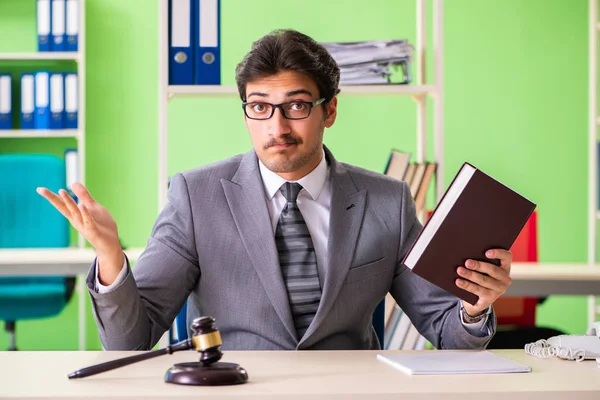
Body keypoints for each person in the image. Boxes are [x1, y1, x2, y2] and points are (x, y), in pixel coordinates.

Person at [37, 29, 513, 351]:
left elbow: (446, 333)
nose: (277, 127)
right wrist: (110, 256)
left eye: (297, 106)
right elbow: (130, 339)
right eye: (260, 108)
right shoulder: (194, 196)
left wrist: (474, 308)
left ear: (329, 111)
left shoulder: (386, 200)